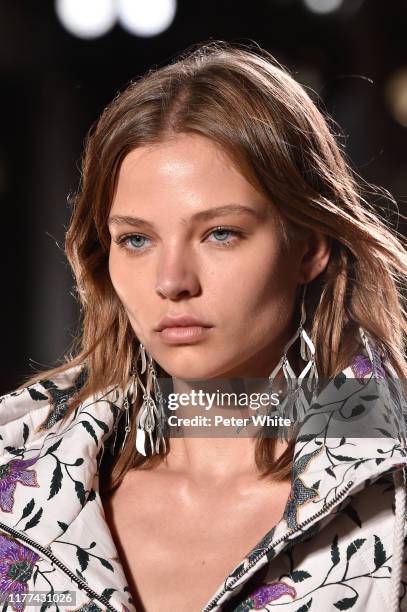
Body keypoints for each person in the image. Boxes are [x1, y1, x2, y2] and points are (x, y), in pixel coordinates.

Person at [0, 41, 407, 612]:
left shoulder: (394, 491)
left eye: (221, 233)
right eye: (136, 239)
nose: (172, 281)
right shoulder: (18, 475)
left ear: (309, 246)